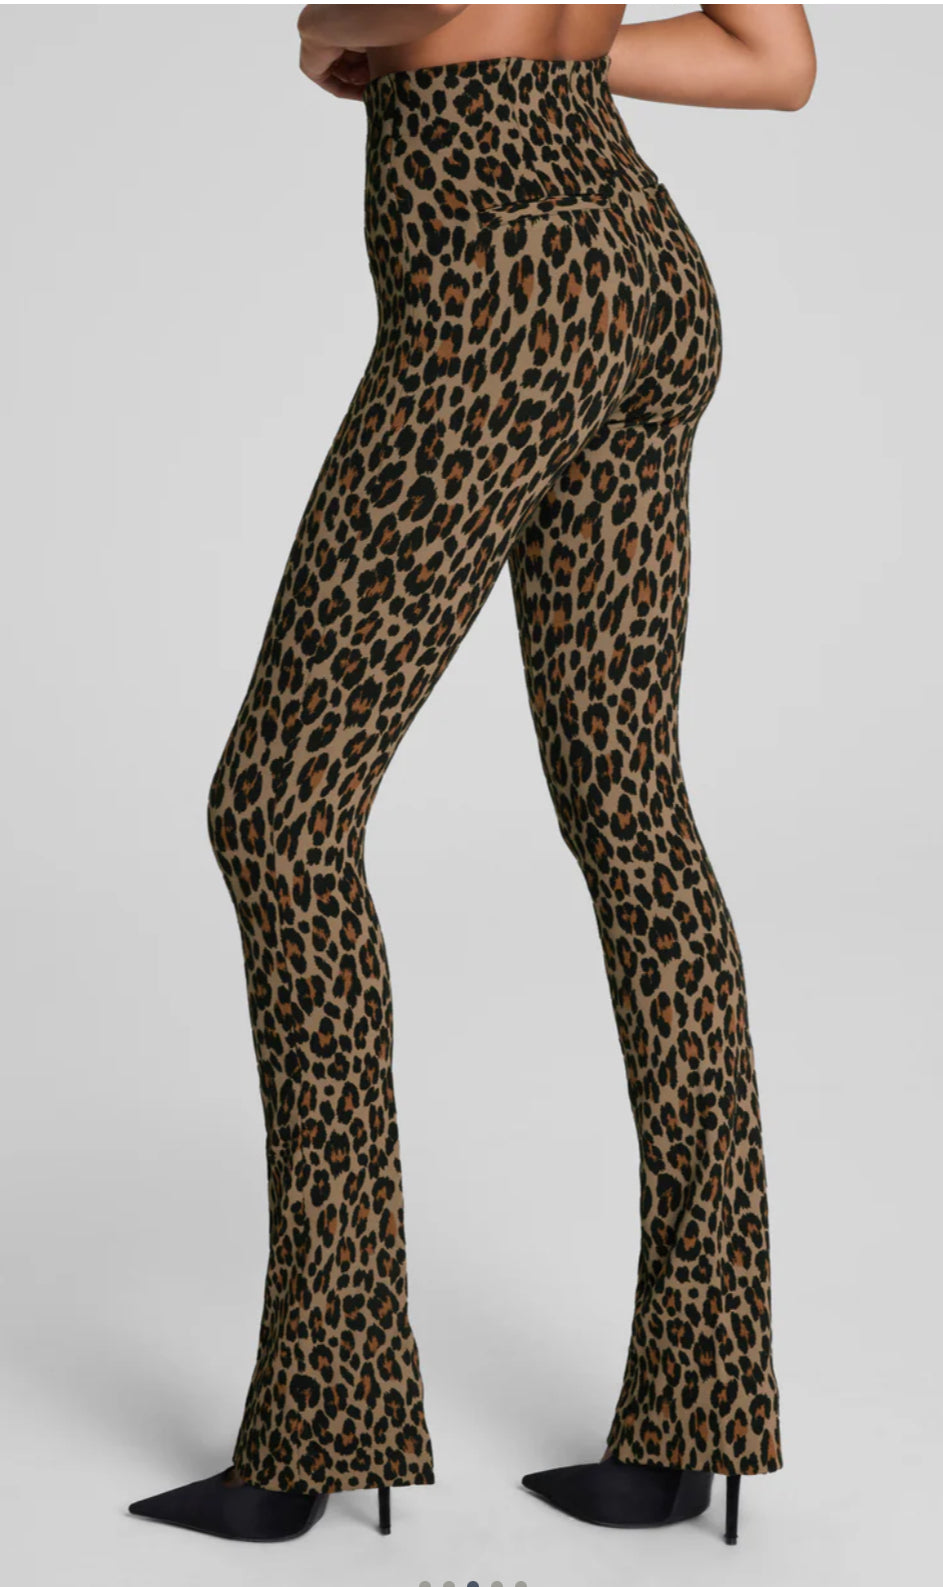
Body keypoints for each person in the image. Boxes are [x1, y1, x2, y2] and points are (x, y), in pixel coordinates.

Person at [128, 1, 816, 1548]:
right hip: (638, 262)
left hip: (500, 275)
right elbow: (776, 62)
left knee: (278, 815)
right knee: (636, 818)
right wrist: (560, 54)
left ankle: (324, 1414)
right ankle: (696, 1409)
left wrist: (334, 29)